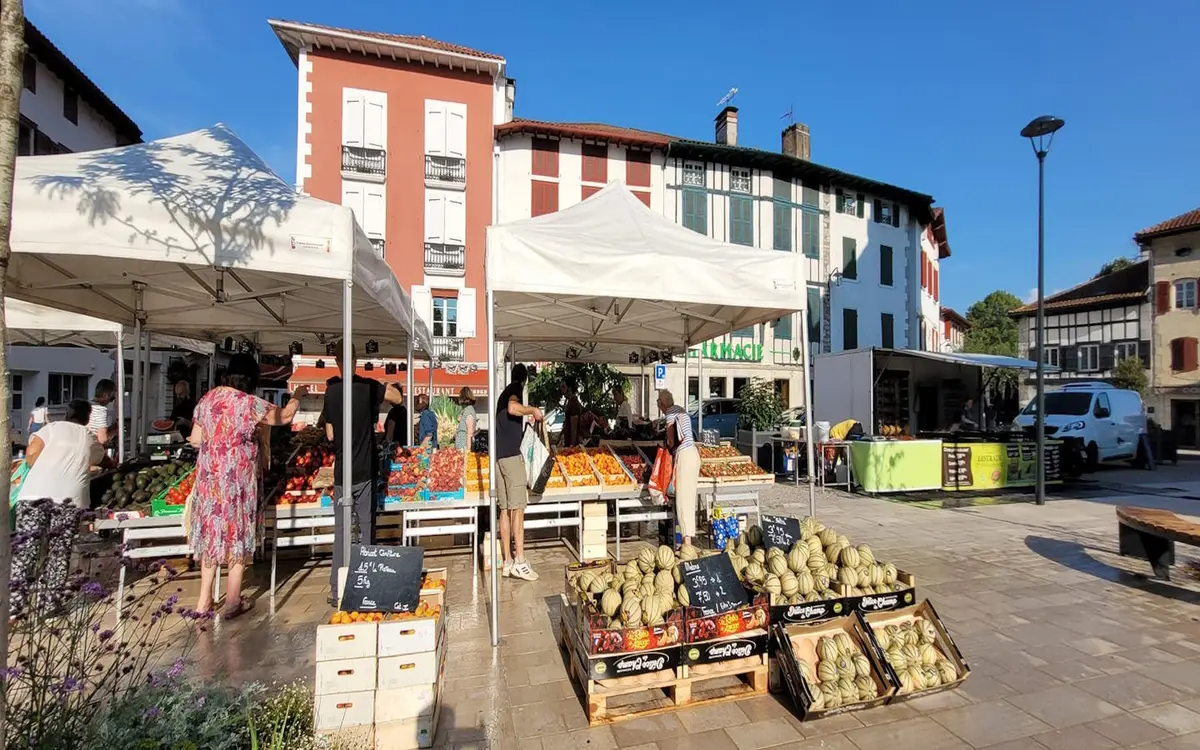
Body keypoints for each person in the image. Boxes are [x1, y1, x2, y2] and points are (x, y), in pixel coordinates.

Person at [189, 354, 305, 617]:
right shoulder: (248, 403)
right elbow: (285, 417)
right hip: (237, 479)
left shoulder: (207, 400)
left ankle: (204, 600)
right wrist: (297, 394)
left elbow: (196, 439)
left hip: (208, 480)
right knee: (237, 534)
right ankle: (232, 600)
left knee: (211, 535)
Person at [11, 400, 111, 617]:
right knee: (59, 551)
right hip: (68, 501)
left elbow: (30, 454)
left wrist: (47, 469)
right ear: (87, 418)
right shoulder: (89, 437)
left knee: (27, 549)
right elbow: (103, 460)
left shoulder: (50, 429)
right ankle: (49, 606)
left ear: (67, 414)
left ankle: (13, 606)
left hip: (34, 496)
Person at [323, 348, 404, 604]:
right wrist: (384, 386)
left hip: (341, 473)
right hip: (365, 469)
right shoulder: (368, 387)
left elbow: (330, 435)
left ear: (336, 361)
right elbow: (398, 398)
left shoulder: (331, 392)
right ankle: (365, 585)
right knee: (367, 529)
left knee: (341, 532)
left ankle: (337, 589)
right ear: (356, 360)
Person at [496, 364, 543, 581]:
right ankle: (520, 561)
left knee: (505, 509)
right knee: (518, 509)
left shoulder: (504, 391)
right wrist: (531, 409)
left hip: (499, 457)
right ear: (524, 380)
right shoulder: (515, 390)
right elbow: (514, 408)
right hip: (512, 458)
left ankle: (507, 561)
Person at [658, 389, 699, 548]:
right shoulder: (681, 410)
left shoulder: (669, 413)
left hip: (684, 456)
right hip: (694, 454)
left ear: (662, 403)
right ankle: (688, 539)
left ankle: (686, 542)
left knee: (682, 500)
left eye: (658, 403)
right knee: (690, 498)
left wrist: (665, 447)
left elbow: (670, 440)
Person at [87, 378, 118, 448]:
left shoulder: (87, 406)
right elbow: (103, 440)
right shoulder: (100, 410)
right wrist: (114, 432)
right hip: (91, 449)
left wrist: (109, 429)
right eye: (112, 398)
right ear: (105, 396)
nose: (111, 402)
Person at [454, 387, 477, 452]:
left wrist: (468, 450)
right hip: (461, 447)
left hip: (463, 447)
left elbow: (469, 432)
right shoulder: (465, 410)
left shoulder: (468, 411)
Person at [562, 377, 583, 446]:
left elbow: (574, 428)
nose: (562, 390)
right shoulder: (570, 402)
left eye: (563, 387)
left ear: (569, 388)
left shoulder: (574, 404)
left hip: (572, 445)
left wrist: (572, 446)